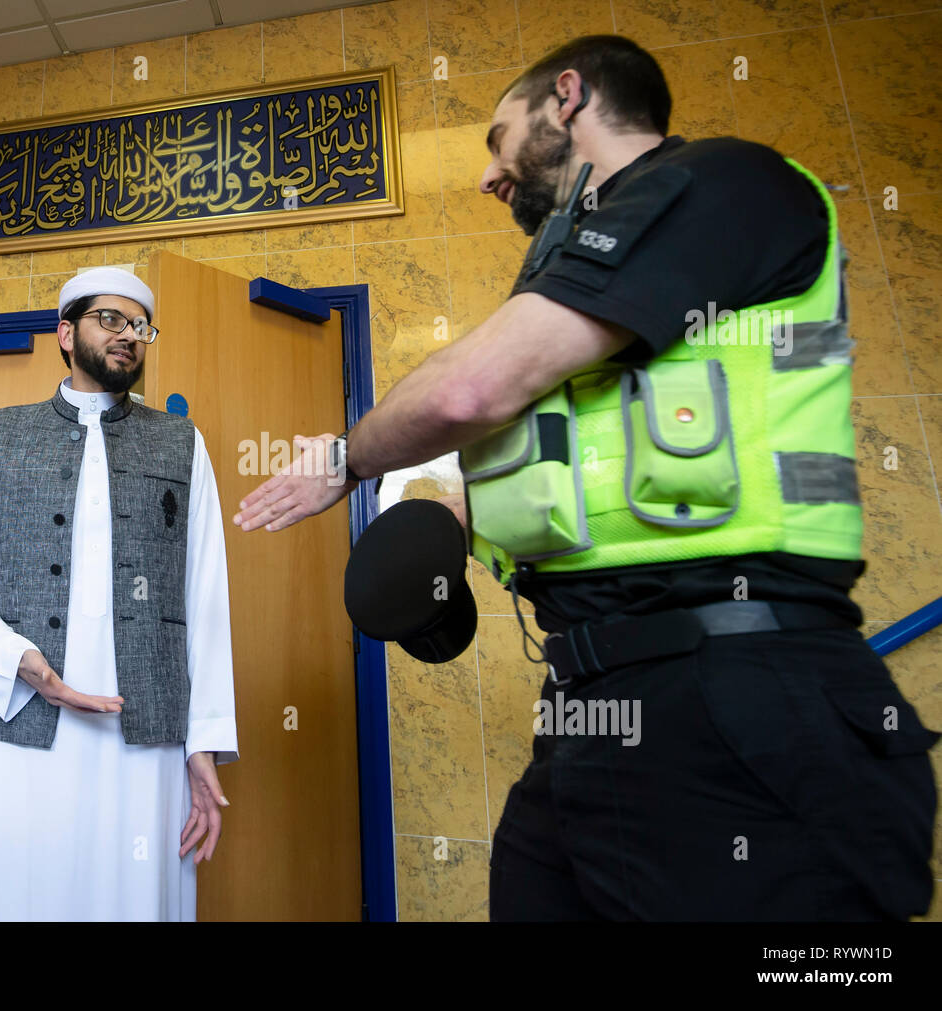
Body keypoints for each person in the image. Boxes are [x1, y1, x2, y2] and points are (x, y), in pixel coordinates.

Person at [233, 35, 938, 921]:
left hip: (735, 687)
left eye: (497, 139)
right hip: (586, 707)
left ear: (567, 98)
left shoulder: (725, 186)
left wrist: (346, 458)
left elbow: (468, 390)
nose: (490, 177)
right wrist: (445, 521)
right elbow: (558, 466)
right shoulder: (581, 288)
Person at [0, 266, 238, 921]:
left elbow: (206, 594)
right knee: (10, 891)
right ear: (66, 332)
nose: (128, 335)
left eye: (140, 326)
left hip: (143, 734)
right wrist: (20, 662)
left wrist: (203, 742)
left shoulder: (183, 444)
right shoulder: (0, 434)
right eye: (111, 319)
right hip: (16, 714)